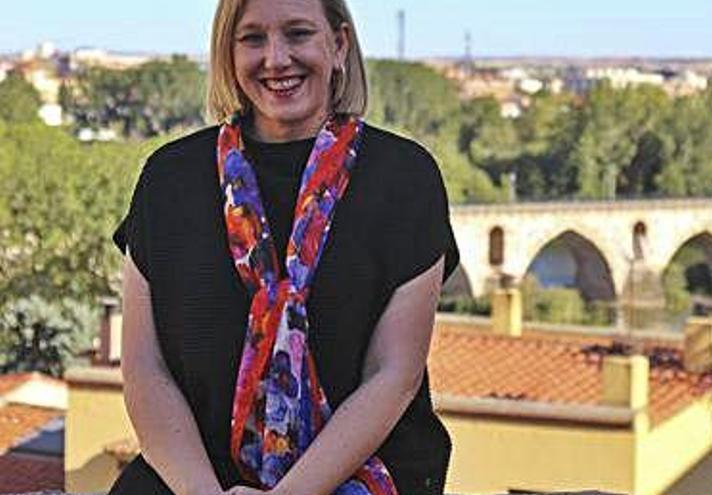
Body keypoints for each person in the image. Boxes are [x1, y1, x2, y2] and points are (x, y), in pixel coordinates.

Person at [109, 0, 459, 493]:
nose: (275, 58)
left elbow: (393, 373)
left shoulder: (404, 179)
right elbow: (146, 369)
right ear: (228, 54)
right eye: (252, 38)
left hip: (358, 477)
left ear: (338, 45)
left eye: (297, 34)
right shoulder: (168, 180)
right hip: (191, 478)